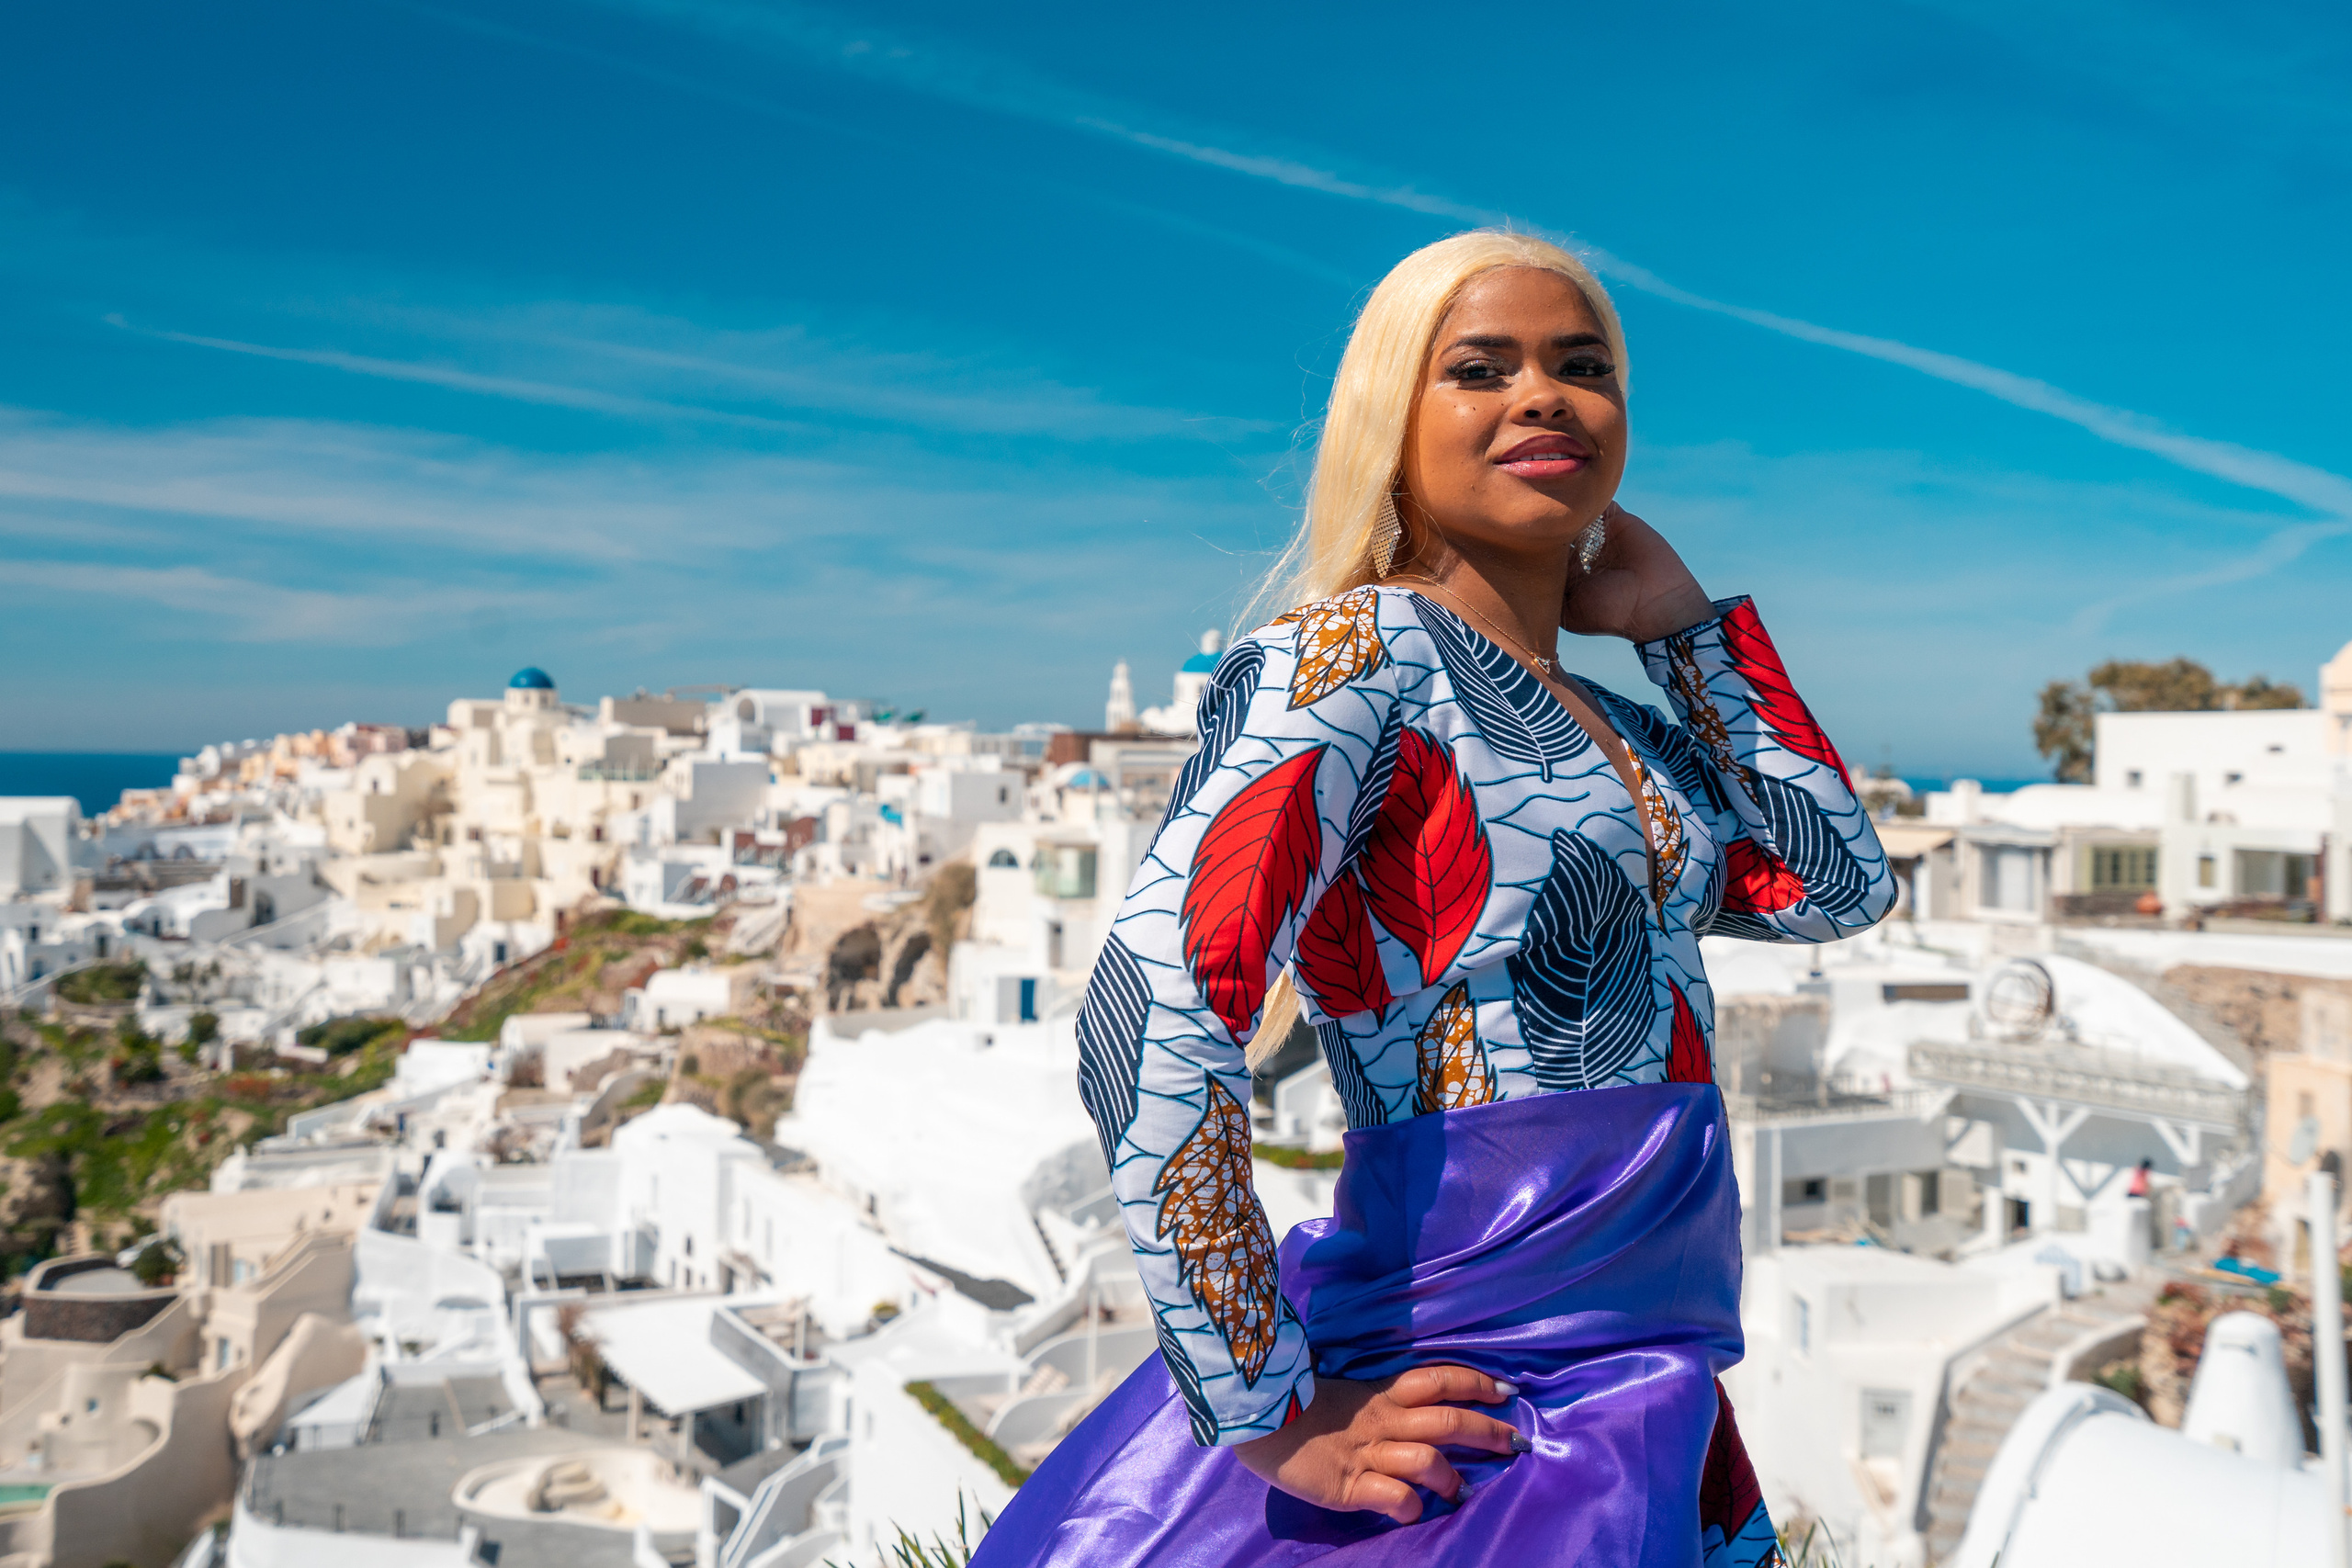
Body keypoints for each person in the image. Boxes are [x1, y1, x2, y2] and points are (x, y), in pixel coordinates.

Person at [975, 231, 1896, 1567]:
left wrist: (1689, 633)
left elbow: (1833, 885)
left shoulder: (1628, 722)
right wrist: (1272, 1415)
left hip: (1647, 1352)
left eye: (1584, 368)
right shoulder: (1354, 655)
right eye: (1481, 368)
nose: (1545, 396)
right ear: (1389, 422)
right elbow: (1151, 1012)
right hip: (1472, 1354)